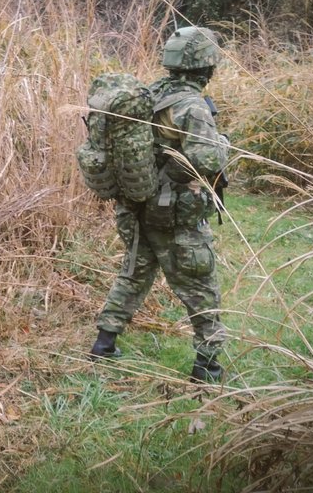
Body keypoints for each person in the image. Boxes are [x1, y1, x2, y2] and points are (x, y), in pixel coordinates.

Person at [88, 26, 230, 383]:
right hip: (173, 213)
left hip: (135, 205)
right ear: (207, 65)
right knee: (200, 284)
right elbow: (208, 161)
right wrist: (225, 143)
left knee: (135, 271)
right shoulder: (192, 105)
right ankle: (208, 365)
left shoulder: (149, 92)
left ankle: (104, 342)